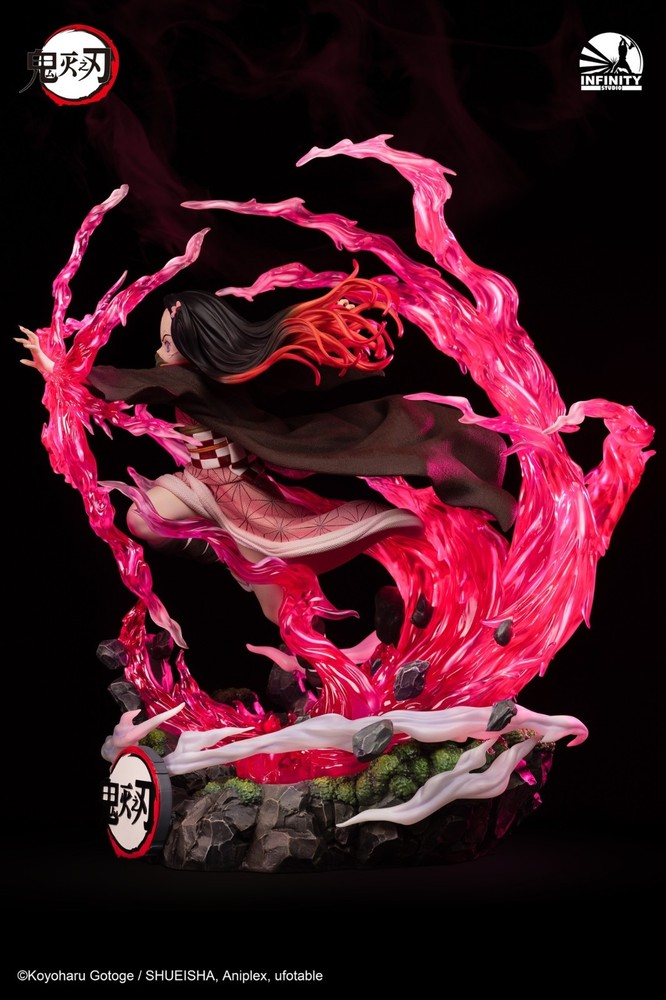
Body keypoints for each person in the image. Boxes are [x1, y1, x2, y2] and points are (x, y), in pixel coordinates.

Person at [18, 275, 516, 625]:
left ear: (197, 343)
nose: (162, 351)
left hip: (236, 493)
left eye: (171, 342)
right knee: (147, 519)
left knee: (273, 596)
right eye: (165, 343)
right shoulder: (204, 379)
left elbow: (133, 382)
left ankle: (403, 585)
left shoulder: (189, 381)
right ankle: (239, 560)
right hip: (201, 485)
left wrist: (59, 369)